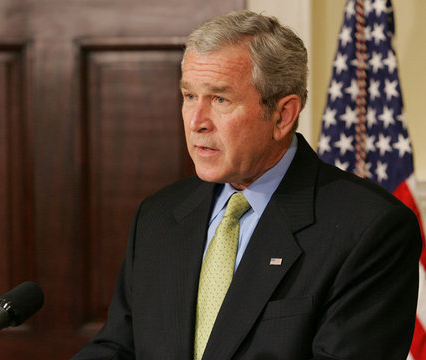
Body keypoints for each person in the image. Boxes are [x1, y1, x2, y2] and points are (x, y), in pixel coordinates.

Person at [72, 10, 422, 360]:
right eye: (189, 96)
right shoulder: (159, 215)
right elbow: (118, 346)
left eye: (220, 99)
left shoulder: (369, 228)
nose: (196, 121)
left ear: (283, 115)